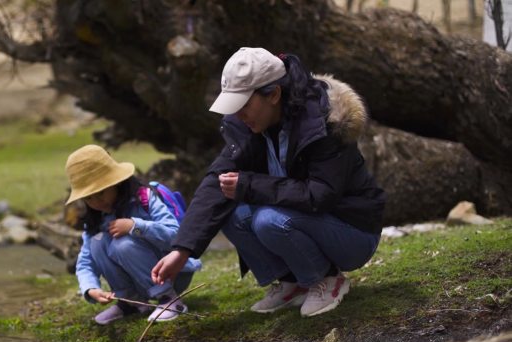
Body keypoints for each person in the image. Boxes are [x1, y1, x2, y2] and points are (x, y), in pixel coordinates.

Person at [152, 47, 385, 317]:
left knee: (268, 220)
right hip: (301, 221)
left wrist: (249, 185)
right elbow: (216, 182)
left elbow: (320, 195)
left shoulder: (324, 122)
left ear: (273, 94)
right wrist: (183, 250)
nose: (237, 114)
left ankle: (328, 279)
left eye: (244, 105)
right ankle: (292, 282)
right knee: (229, 213)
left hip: (352, 232)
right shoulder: (249, 126)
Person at [65, 144, 202, 325]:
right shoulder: (95, 220)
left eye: (101, 193)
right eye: (89, 198)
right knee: (97, 242)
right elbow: (85, 262)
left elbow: (175, 236)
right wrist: (90, 288)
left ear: (115, 183)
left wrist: (136, 226)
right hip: (138, 280)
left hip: (173, 272)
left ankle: (169, 299)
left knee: (123, 244)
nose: (97, 202)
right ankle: (131, 302)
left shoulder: (145, 198)